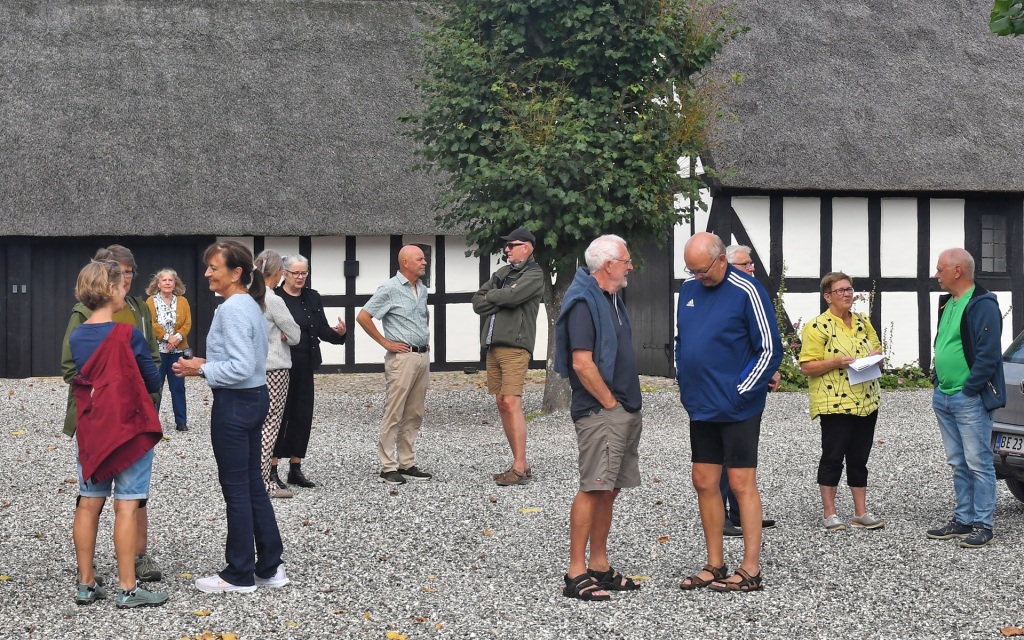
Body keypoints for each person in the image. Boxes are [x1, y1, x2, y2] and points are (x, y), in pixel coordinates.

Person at [173, 240, 289, 593]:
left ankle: (238, 574)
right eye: (208, 267)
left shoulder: (233, 308)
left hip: (236, 404)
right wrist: (206, 366)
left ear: (236, 273)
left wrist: (200, 368)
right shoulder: (250, 304)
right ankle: (270, 566)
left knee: (237, 489)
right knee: (252, 485)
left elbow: (240, 366)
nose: (207, 273)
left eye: (214, 268)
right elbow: (249, 363)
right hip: (254, 398)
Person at [676, 232, 782, 593]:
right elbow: (682, 342)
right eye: (691, 270)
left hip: (738, 407)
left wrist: (740, 391)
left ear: (721, 259)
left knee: (740, 483)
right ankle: (715, 564)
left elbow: (770, 349)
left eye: (701, 270)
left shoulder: (748, 290)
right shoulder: (689, 290)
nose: (697, 277)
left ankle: (750, 569)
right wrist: (684, 383)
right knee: (704, 481)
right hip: (701, 405)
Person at [68, 260, 168, 608]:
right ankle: (128, 588)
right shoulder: (129, 334)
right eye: (122, 285)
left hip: (93, 429)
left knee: (88, 502)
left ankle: (86, 584)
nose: (126, 289)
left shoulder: (77, 336)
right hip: (128, 429)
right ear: (110, 290)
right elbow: (152, 380)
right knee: (126, 505)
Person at [553, 234, 643, 602]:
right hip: (601, 413)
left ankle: (599, 566)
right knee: (594, 487)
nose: (630, 267)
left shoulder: (610, 297)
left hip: (622, 409)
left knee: (609, 488)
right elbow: (581, 363)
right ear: (607, 265)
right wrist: (609, 404)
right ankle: (576, 572)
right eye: (626, 261)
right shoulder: (583, 303)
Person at [926, 248, 1005, 548]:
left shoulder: (982, 304)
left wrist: (969, 389)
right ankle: (963, 519)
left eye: (940, 269)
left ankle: (983, 525)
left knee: (978, 462)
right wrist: (938, 382)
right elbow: (944, 344)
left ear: (957, 271)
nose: (936, 275)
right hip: (944, 396)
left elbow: (988, 355)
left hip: (968, 398)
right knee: (958, 462)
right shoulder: (948, 302)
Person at [799, 272, 886, 531]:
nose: (847, 294)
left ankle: (861, 512)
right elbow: (807, 366)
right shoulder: (817, 326)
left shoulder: (862, 321)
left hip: (866, 400)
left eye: (849, 289)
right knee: (833, 456)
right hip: (835, 402)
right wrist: (836, 362)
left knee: (860, 457)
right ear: (827, 297)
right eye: (841, 290)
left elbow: (878, 349)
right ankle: (830, 512)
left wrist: (876, 356)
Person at [471, 226, 544, 486]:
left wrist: (495, 295)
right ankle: (520, 463)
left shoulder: (534, 274)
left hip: (516, 346)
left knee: (512, 402)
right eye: (507, 245)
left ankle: (519, 467)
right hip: (493, 346)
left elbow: (513, 297)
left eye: (512, 245)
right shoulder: (502, 273)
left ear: (527, 247)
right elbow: (477, 302)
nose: (507, 249)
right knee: (502, 402)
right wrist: (501, 296)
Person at [356, 245, 433, 485]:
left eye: (424, 259)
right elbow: (363, 316)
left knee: (415, 413)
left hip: (422, 356)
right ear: (405, 263)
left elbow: (424, 315)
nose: (424, 262)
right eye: (420, 259)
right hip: (402, 359)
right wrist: (386, 343)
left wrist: (423, 336)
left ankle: (406, 463)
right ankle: (388, 466)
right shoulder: (389, 288)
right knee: (395, 412)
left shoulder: (422, 288)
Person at [271, 254, 347, 490]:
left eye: (304, 273)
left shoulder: (312, 297)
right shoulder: (275, 297)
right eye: (296, 273)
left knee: (302, 415)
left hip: (306, 363)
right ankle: (271, 468)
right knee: (279, 415)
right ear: (284, 273)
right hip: (282, 364)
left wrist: (338, 334)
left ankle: (295, 467)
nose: (300, 277)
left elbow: (320, 328)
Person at [722, 244, 779, 537]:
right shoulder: (723, 298)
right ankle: (721, 517)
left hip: (749, 389)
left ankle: (741, 513)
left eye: (751, 263)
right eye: (746, 264)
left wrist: (768, 372)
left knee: (742, 456)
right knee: (722, 458)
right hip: (730, 392)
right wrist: (741, 387)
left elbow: (761, 342)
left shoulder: (751, 294)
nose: (752, 268)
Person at [255, 250, 301, 499]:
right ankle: (263, 482)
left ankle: (251, 478)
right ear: (280, 273)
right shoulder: (272, 300)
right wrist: (284, 335)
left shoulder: (248, 297)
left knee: (255, 424)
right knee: (270, 424)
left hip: (253, 368)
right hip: (275, 368)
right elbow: (295, 335)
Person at [146, 269, 192, 432]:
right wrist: (167, 337)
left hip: (177, 352)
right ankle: (152, 422)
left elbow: (187, 323)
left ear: (175, 283)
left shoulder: (183, 301)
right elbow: (151, 323)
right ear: (158, 284)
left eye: (170, 280)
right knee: (155, 387)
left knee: (178, 387)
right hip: (158, 352)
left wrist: (176, 338)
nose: (167, 283)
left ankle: (181, 422)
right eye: (164, 280)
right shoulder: (151, 301)